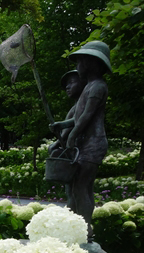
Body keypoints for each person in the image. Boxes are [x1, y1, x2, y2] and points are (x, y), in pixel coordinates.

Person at [65, 41, 111, 239]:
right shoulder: (89, 87)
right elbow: (76, 117)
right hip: (86, 143)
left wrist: (72, 135)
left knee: (82, 187)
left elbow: (86, 116)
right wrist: (62, 127)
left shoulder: (98, 87)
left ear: (92, 63)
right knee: (77, 187)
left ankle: (84, 229)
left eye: (80, 62)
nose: (78, 67)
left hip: (93, 143)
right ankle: (77, 226)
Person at [48, 70, 86, 156]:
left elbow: (75, 122)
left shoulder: (84, 105)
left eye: (71, 82)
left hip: (80, 149)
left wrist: (57, 144)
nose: (67, 87)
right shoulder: (75, 107)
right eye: (66, 85)